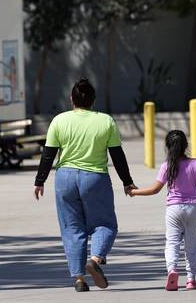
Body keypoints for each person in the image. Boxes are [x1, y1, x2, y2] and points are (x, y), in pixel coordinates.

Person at [33, 77, 136, 292]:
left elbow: (48, 154)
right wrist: (127, 182)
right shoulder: (105, 121)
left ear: (71, 99)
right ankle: (96, 259)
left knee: (72, 228)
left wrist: (39, 181)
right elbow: (117, 155)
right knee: (105, 224)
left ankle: (79, 278)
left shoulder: (59, 121)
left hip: (65, 178)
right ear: (93, 100)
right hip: (95, 177)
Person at [128, 130, 196, 291]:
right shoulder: (194, 163)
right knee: (191, 244)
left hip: (173, 209)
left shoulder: (167, 166)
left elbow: (155, 189)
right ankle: (191, 279)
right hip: (192, 208)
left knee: (172, 242)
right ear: (186, 146)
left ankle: (172, 270)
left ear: (168, 147)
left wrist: (134, 192)